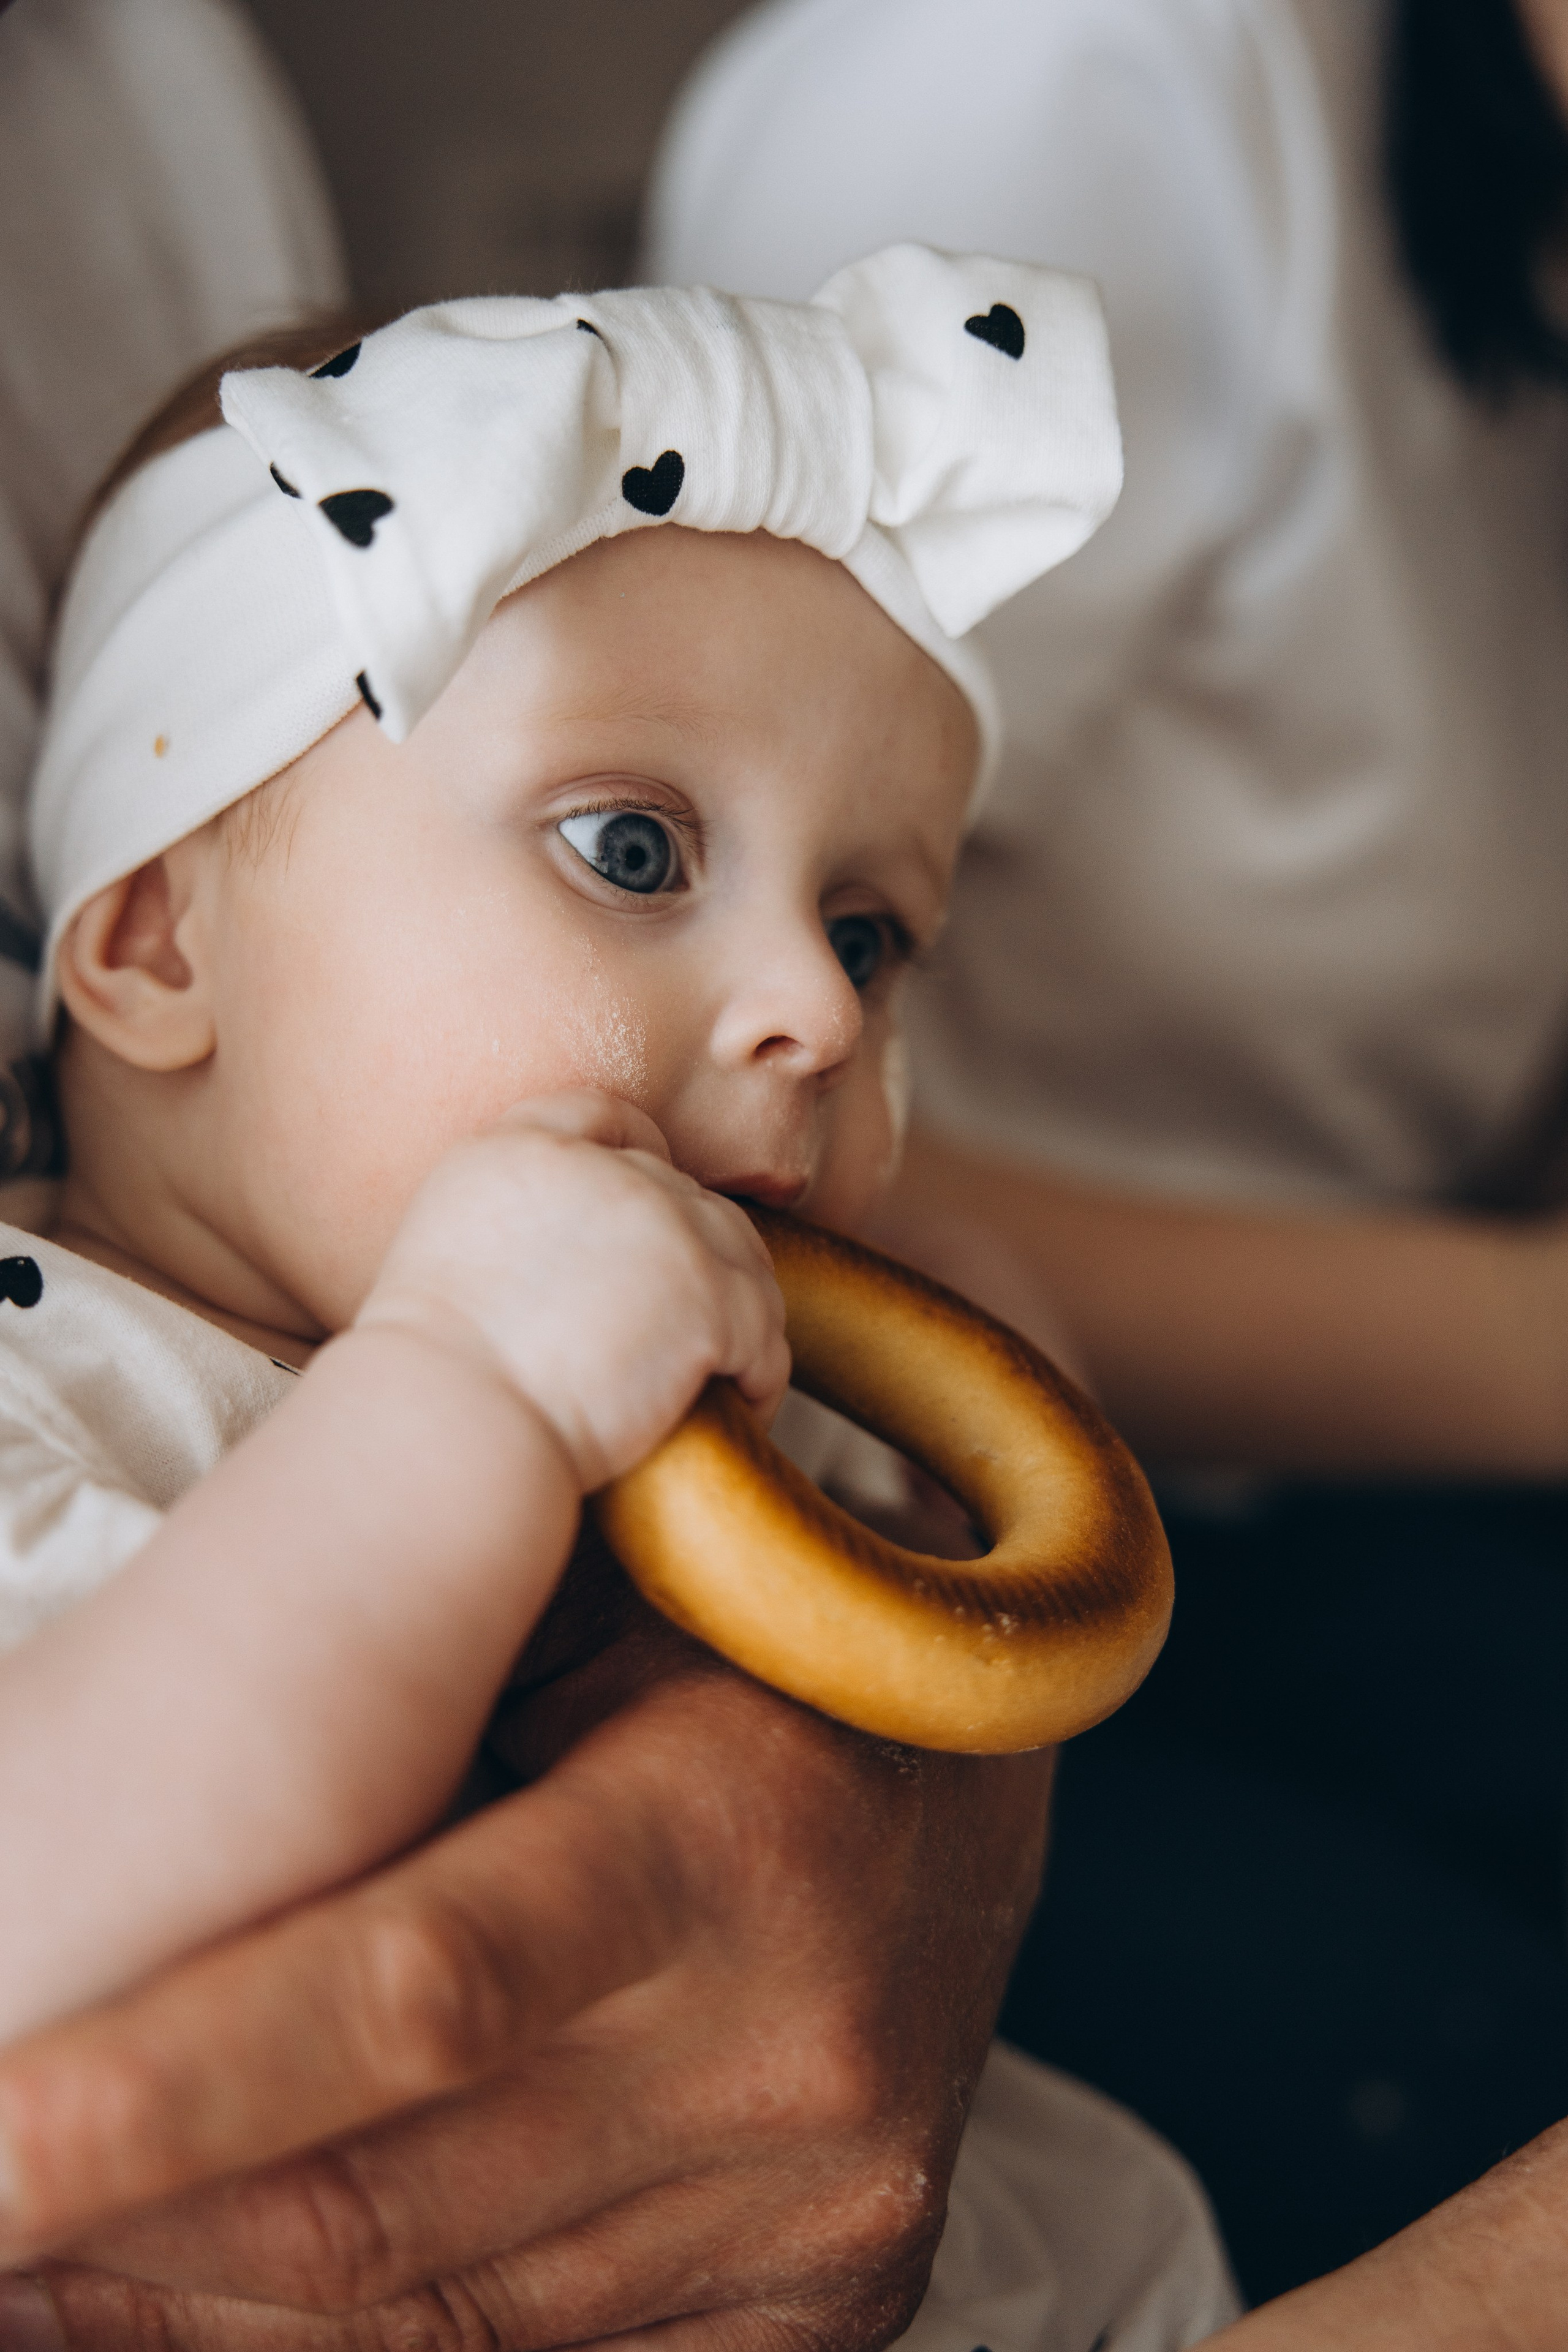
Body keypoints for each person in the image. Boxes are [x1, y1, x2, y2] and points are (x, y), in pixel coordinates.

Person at [0, 10, 1218, 2350]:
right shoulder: (62, 1385)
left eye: (873, 928)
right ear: (158, 937)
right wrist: (455, 1387)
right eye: (633, 849)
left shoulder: (698, 1375)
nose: (824, 1012)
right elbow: (70, 1940)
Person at [646, 0, 1568, 2310]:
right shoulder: (1059, 92)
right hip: (907, 1511)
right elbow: (707, 1097)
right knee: (1453, 2052)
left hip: (1329, 1485)